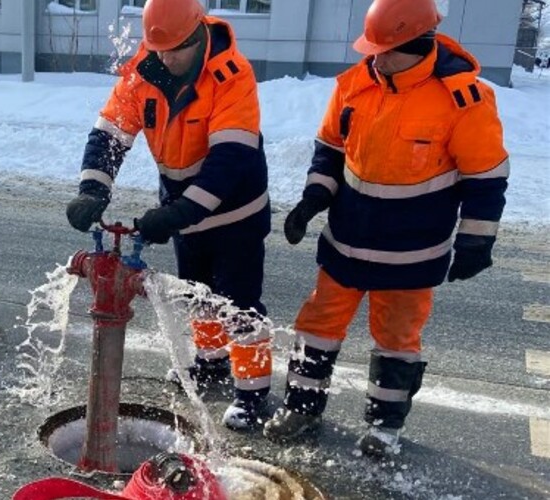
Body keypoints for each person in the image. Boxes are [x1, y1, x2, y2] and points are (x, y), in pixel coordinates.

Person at [263, 0, 509, 457]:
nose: (374, 58)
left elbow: (486, 178)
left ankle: (383, 429)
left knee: (397, 342)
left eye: (384, 50)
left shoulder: (463, 98)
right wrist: (312, 200)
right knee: (316, 326)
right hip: (344, 244)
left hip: (412, 257)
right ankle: (302, 406)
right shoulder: (355, 85)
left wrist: (477, 239)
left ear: (415, 43)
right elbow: (329, 151)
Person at [65, 0, 272, 430]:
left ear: (197, 35)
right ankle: (211, 364)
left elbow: (230, 161)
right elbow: (110, 133)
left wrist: (179, 212)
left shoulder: (232, 76)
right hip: (184, 211)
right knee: (197, 294)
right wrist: (92, 189)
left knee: (239, 304)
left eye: (176, 49)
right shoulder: (144, 71)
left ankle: (251, 392)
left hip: (236, 214)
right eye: (159, 49)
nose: (167, 58)